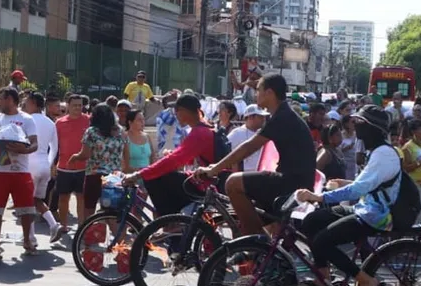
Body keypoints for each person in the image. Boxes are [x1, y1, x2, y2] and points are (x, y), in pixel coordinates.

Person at [294, 105, 400, 286]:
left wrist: (320, 196)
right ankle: (323, 276)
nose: (354, 127)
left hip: (374, 215)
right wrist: (343, 183)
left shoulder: (384, 154)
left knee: (322, 241)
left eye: (359, 123)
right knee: (311, 221)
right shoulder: (376, 152)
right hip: (363, 208)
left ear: (372, 128)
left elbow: (359, 189)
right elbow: (364, 183)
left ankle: (367, 280)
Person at [197, 73, 316, 236]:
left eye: (258, 90)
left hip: (291, 183)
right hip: (295, 181)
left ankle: (254, 243)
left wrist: (214, 169)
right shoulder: (282, 114)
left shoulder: (282, 117)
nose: (255, 94)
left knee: (232, 183)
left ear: (270, 93)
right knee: (260, 217)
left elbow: (248, 147)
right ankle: (262, 252)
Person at [123, 94, 222, 217]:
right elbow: (187, 158)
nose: (175, 115)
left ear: (184, 111)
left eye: (177, 111)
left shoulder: (199, 132)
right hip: (206, 180)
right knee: (163, 175)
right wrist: (172, 155)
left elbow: (175, 160)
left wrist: (139, 174)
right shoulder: (206, 127)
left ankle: (169, 221)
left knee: (153, 177)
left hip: (207, 184)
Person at [0, 87, 39, 259]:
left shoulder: (26, 119)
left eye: (1, 98)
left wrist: (23, 150)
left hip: (20, 171)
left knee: (26, 209)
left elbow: (35, 144)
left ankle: (27, 241)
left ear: (11, 100)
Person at [69, 104, 128, 216]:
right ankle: (119, 233)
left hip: (94, 175)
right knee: (112, 212)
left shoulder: (92, 131)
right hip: (114, 177)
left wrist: (75, 157)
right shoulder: (121, 131)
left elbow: (85, 154)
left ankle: (87, 232)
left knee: (89, 209)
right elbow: (126, 153)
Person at [23, 91, 63, 245]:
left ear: (33, 102)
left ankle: (31, 237)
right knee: (37, 200)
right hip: (44, 165)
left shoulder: (26, 120)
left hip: (29, 164)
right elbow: (55, 147)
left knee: (27, 203)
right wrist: (48, 161)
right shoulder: (50, 123)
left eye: (27, 101)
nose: (25, 104)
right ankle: (53, 225)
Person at [53, 95, 90, 232]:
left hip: (84, 167)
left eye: (80, 105)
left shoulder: (88, 121)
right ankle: (63, 225)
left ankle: (81, 226)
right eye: (74, 105)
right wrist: (53, 164)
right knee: (63, 198)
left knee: (81, 198)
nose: (77, 108)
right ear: (68, 106)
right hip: (64, 167)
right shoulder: (59, 123)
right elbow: (54, 146)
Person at [401, 119, 421, 223]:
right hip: (415, 183)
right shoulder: (408, 147)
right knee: (417, 211)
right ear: (413, 132)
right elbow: (405, 167)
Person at [226, 105, 267, 172]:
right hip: (244, 175)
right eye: (260, 117)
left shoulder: (263, 133)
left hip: (260, 173)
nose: (264, 119)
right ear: (250, 117)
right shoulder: (237, 133)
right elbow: (226, 152)